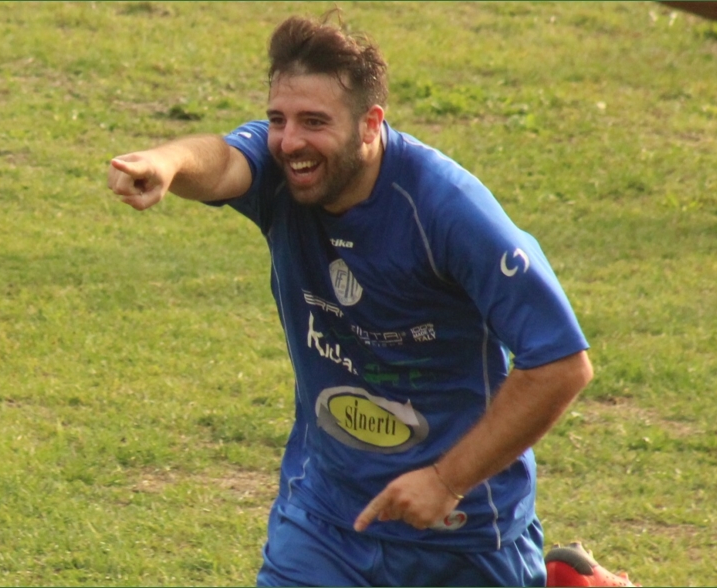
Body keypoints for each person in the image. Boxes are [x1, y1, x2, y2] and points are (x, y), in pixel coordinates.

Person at [107, 13, 593, 587]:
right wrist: (166, 162)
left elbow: (561, 364)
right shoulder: (281, 172)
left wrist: (446, 480)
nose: (291, 142)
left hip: (462, 532)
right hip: (324, 522)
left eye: (314, 122)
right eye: (278, 120)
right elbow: (221, 162)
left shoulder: (448, 210)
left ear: (370, 124)